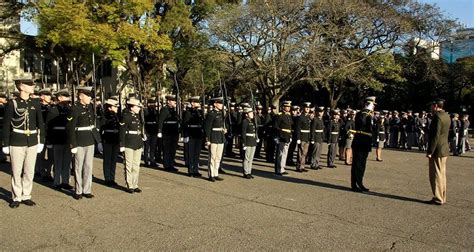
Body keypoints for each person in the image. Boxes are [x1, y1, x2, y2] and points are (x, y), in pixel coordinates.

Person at [2, 79, 45, 208]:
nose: (33, 87)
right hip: (17, 140)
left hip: (32, 140)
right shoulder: (12, 104)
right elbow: (6, 126)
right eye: (30, 85)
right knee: (16, 170)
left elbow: (40, 123)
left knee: (29, 170)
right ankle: (16, 196)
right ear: (22, 87)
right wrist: (5, 144)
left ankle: (26, 194)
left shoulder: (35, 103)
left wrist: (41, 140)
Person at [67, 86, 102, 200]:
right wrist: (73, 144)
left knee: (88, 166)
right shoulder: (74, 108)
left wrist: (98, 141)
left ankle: (87, 189)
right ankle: (78, 190)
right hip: (79, 141)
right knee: (78, 166)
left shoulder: (89, 107)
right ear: (81, 96)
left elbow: (92, 125)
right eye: (88, 96)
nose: (90, 98)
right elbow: (70, 127)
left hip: (89, 139)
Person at [46, 88, 73, 190]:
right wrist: (48, 140)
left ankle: (65, 181)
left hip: (67, 138)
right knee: (57, 162)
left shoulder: (70, 110)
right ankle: (57, 182)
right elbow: (48, 126)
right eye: (65, 97)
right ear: (59, 98)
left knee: (67, 162)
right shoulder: (53, 110)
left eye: (67, 96)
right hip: (57, 138)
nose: (67, 99)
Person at [425, 98, 450, 205]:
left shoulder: (437, 117)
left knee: (436, 174)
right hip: (444, 148)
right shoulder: (446, 115)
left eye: (431, 106)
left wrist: (430, 150)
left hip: (437, 149)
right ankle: (442, 196)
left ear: (435, 106)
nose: (430, 108)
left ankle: (438, 198)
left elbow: (435, 136)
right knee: (442, 174)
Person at [119, 97, 145, 193]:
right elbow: (122, 131)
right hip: (129, 143)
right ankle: (129, 185)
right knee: (128, 165)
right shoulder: (126, 116)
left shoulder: (137, 116)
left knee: (136, 165)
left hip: (137, 143)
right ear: (131, 107)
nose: (139, 108)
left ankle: (135, 184)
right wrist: (122, 144)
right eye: (137, 106)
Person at [351, 96, 376, 193]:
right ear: (367, 104)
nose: (373, 106)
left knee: (362, 164)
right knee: (357, 164)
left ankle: (360, 183)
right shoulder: (361, 113)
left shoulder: (369, 114)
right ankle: (355, 184)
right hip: (360, 141)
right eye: (372, 104)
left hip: (366, 142)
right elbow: (361, 123)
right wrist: (366, 111)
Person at [204, 97, 226, 182]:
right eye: (220, 103)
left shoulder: (221, 113)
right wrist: (208, 139)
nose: (221, 105)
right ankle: (211, 174)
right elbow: (207, 128)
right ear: (215, 104)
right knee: (212, 157)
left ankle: (216, 173)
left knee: (218, 157)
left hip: (220, 137)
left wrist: (224, 129)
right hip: (213, 137)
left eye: (221, 103)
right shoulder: (211, 114)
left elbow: (222, 125)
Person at [100, 98, 121, 187]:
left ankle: (112, 178)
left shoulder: (117, 116)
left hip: (115, 140)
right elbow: (101, 129)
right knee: (108, 160)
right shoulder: (104, 116)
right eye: (115, 106)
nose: (117, 108)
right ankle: (107, 179)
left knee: (113, 160)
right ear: (109, 108)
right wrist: (100, 142)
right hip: (107, 140)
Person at [182, 96, 204, 177]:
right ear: (192, 103)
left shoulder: (200, 112)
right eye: (196, 102)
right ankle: (191, 170)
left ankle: (196, 170)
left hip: (198, 134)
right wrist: (185, 135)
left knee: (197, 154)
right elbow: (185, 125)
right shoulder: (188, 112)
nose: (198, 104)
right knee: (191, 153)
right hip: (191, 134)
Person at [158, 95, 180, 172]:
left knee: (173, 150)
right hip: (167, 132)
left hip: (174, 132)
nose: (175, 103)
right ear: (169, 101)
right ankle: (167, 165)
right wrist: (159, 131)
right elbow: (160, 121)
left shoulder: (174, 110)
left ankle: (171, 164)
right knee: (167, 149)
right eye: (173, 101)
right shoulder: (164, 110)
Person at [36, 88, 53, 181]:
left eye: (49, 95)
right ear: (42, 96)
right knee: (40, 153)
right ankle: (40, 171)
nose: (49, 97)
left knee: (51, 154)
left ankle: (49, 172)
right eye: (47, 95)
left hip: (49, 132)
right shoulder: (37, 106)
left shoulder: (52, 107)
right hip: (40, 131)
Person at [274, 101, 293, 176]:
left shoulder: (288, 116)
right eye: (287, 107)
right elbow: (276, 127)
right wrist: (279, 136)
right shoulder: (279, 115)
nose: (288, 108)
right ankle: (278, 169)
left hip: (287, 137)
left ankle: (282, 168)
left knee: (285, 153)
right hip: (282, 137)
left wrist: (290, 136)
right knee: (280, 154)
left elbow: (290, 127)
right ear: (283, 107)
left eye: (289, 107)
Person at [241, 107, 258, 179]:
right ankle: (245, 172)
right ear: (246, 114)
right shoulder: (245, 122)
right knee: (247, 158)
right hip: (247, 141)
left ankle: (249, 171)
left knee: (251, 158)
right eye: (250, 113)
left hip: (253, 141)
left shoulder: (252, 121)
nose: (252, 114)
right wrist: (244, 143)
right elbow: (243, 133)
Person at [295, 102, 311, 172]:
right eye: (306, 108)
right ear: (303, 108)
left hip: (306, 137)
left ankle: (302, 166)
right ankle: (299, 166)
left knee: (305, 153)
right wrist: (298, 138)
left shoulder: (308, 117)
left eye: (308, 108)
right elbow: (298, 128)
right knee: (300, 153)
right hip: (302, 137)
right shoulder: (300, 117)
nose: (307, 109)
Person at [143, 98, 159, 168]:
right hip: (147, 130)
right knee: (146, 147)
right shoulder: (145, 111)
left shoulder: (155, 111)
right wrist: (144, 132)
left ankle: (152, 160)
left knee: (153, 147)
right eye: (151, 103)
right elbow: (143, 122)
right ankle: (146, 161)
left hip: (154, 131)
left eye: (154, 104)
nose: (153, 105)